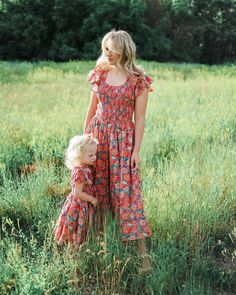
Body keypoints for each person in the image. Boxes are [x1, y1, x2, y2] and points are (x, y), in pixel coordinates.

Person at [84, 29, 153, 274]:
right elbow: (91, 109)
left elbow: (141, 118)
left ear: (124, 49)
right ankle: (100, 248)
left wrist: (136, 151)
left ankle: (143, 257)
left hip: (123, 143)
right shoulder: (100, 74)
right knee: (97, 190)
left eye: (111, 49)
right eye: (105, 49)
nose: (107, 54)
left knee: (128, 196)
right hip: (98, 138)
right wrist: (85, 141)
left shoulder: (138, 78)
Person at [53, 134, 99, 249]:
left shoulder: (86, 168)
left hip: (83, 204)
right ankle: (71, 253)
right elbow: (77, 193)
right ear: (79, 155)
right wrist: (92, 199)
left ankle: (77, 250)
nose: (94, 157)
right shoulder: (80, 172)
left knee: (81, 227)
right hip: (78, 205)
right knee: (75, 227)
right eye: (91, 155)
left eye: (95, 154)